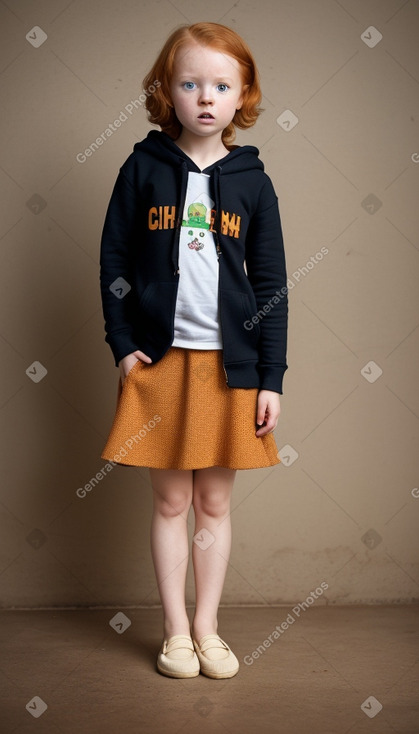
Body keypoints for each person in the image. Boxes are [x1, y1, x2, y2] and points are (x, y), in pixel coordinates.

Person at [99, 21, 288, 680]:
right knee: (170, 503)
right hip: (160, 362)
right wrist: (122, 345)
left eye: (220, 85)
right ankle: (175, 632)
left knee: (213, 503)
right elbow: (113, 259)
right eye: (189, 83)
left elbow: (270, 285)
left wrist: (272, 377)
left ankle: (208, 628)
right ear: (165, 92)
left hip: (230, 370)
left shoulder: (252, 182)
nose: (205, 98)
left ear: (241, 96)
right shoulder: (143, 168)